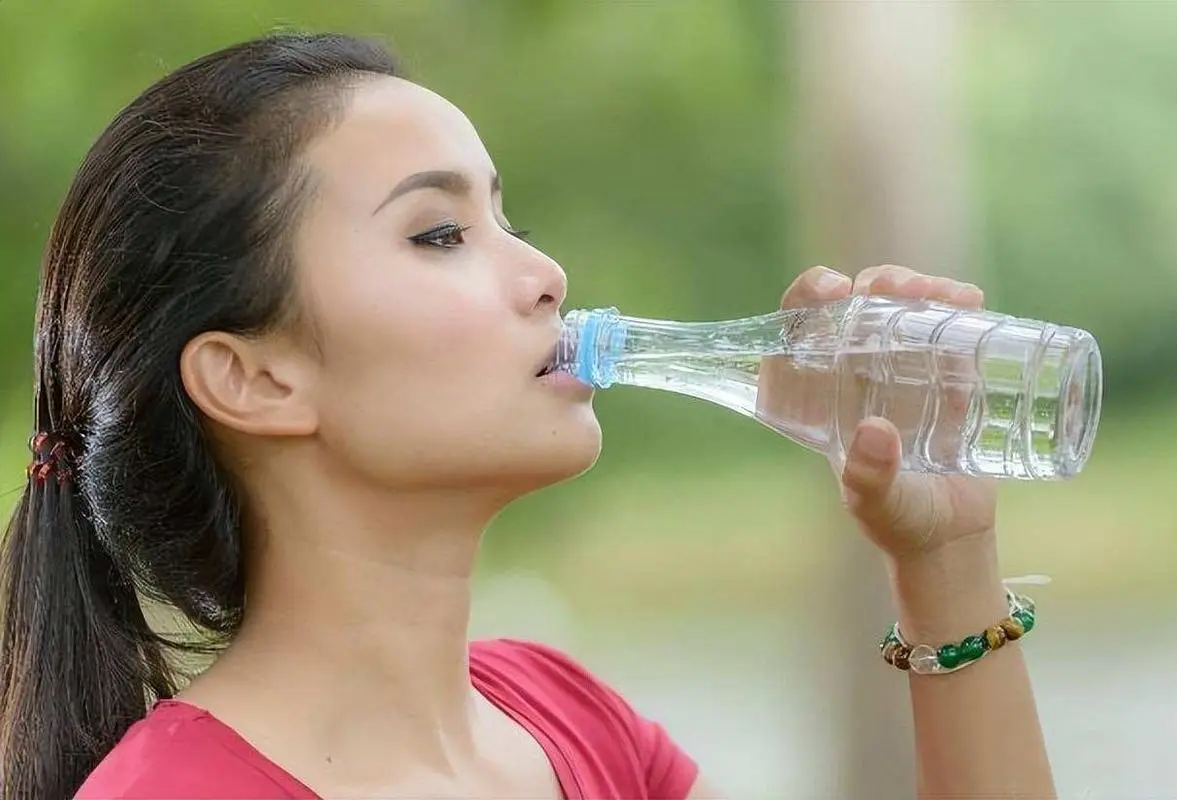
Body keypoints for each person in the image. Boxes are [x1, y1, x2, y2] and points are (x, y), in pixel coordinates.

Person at [0, 32, 1056, 800]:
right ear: (255, 379)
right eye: (439, 234)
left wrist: (948, 560)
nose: (547, 274)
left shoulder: (571, 723)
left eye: (509, 217)